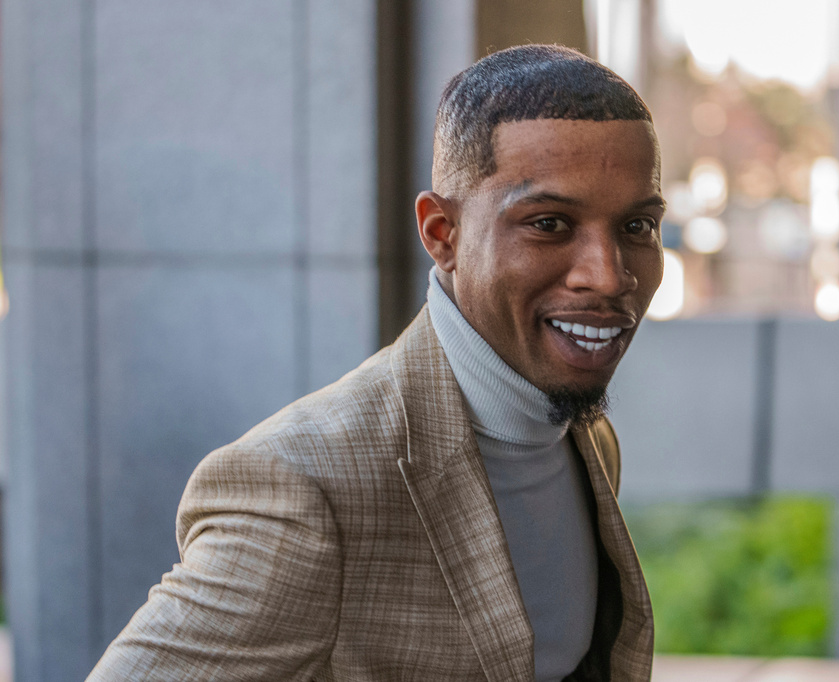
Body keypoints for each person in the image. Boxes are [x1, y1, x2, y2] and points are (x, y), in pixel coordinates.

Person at [88, 44, 665, 681]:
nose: (608, 276)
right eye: (550, 223)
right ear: (443, 234)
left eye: (637, 228)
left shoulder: (585, 435)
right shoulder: (304, 487)